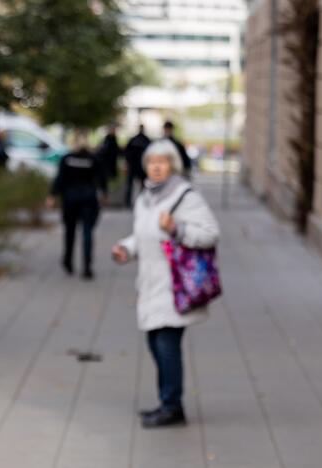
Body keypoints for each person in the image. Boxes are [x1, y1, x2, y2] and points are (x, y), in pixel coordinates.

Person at [111, 139, 219, 428]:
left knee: (166, 345)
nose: (156, 167)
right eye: (151, 162)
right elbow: (143, 235)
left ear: (173, 165)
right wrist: (126, 248)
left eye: (162, 162)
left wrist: (177, 228)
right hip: (150, 283)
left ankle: (172, 406)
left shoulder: (185, 197)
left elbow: (210, 233)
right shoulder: (145, 198)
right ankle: (168, 402)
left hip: (175, 285)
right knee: (155, 344)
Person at [47, 131, 107, 279]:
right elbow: (101, 179)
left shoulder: (67, 159)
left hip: (70, 199)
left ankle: (68, 261)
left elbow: (60, 179)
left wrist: (52, 195)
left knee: (70, 232)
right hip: (88, 198)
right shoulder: (93, 159)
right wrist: (104, 194)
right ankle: (87, 266)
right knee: (87, 232)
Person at [124, 124, 150, 208]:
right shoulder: (146, 140)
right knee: (139, 185)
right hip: (138, 166)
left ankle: (129, 202)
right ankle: (140, 202)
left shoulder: (135, 140)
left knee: (134, 185)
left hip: (137, 166)